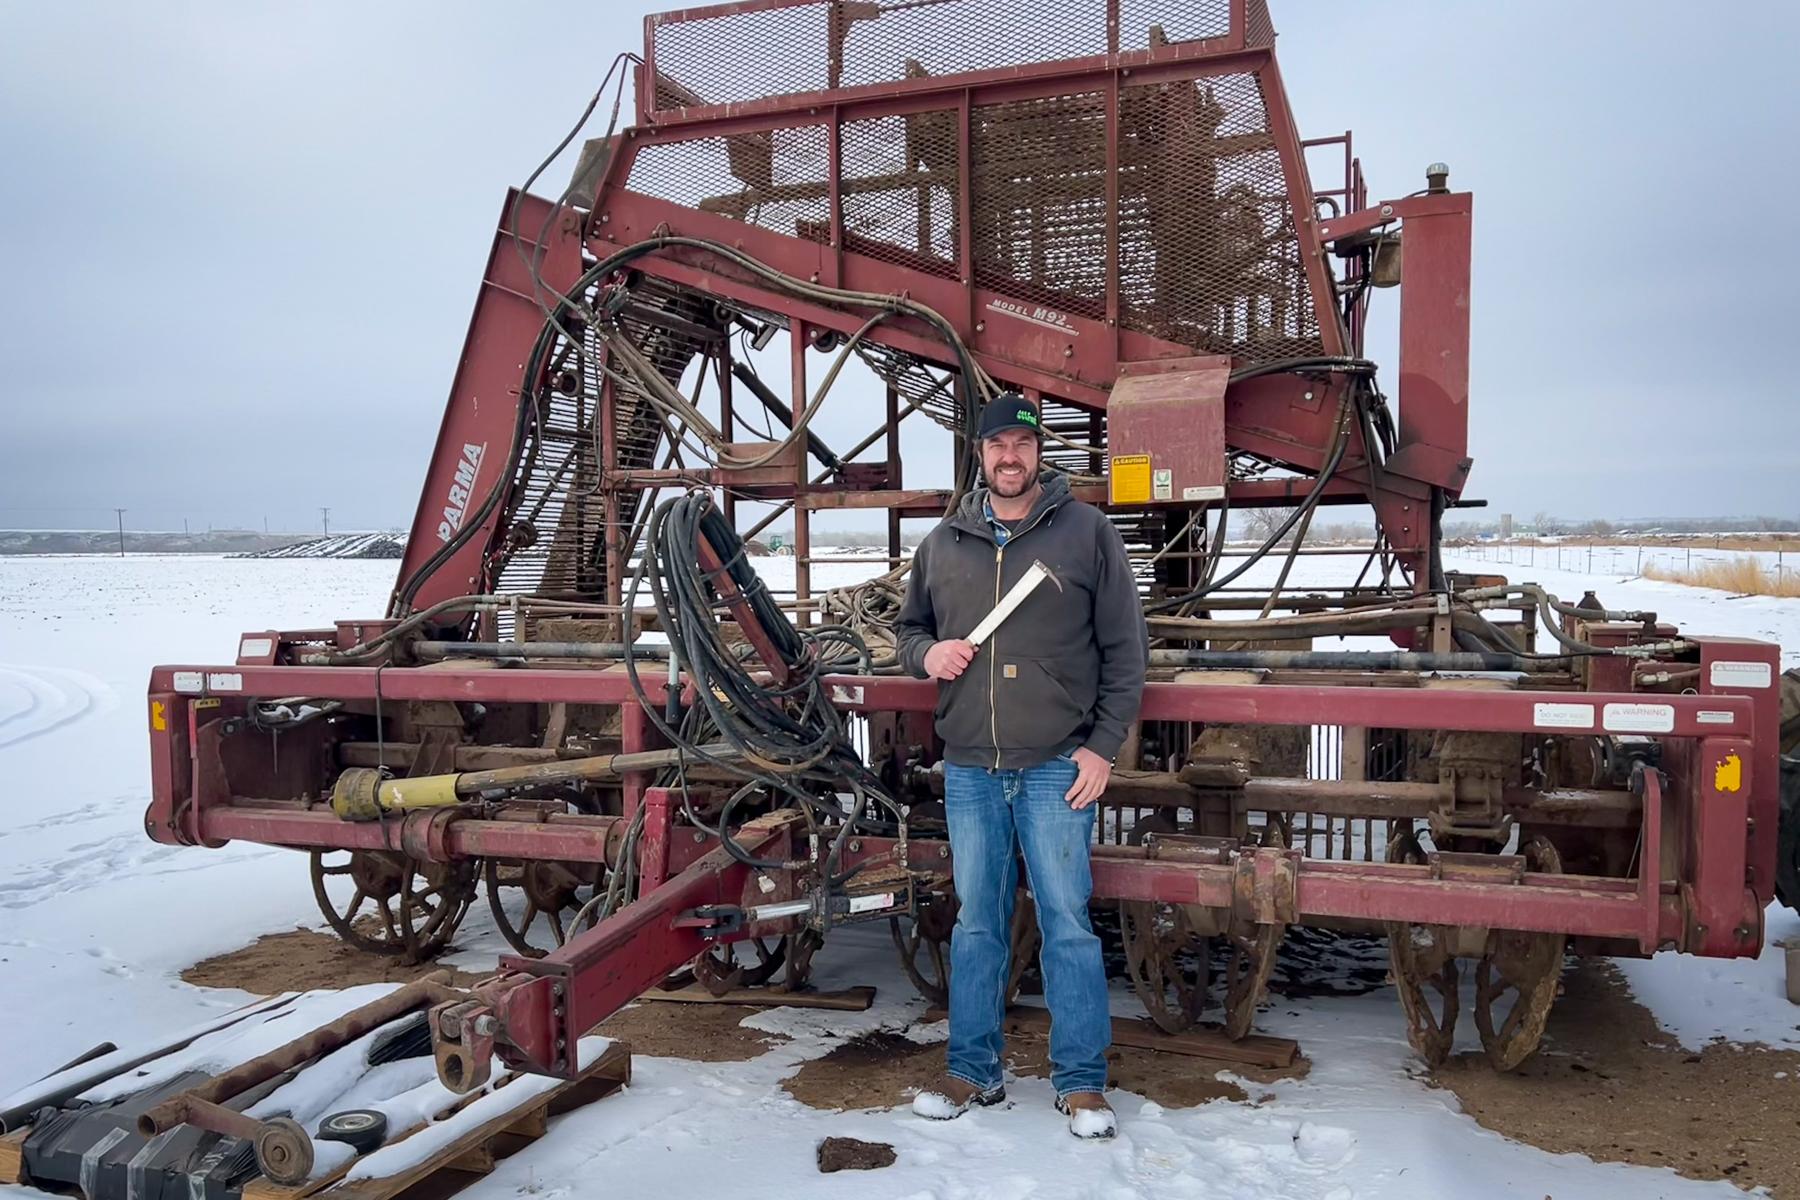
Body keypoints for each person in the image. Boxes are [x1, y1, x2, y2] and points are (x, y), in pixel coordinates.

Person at [895, 392, 1148, 1140]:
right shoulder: (943, 543)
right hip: (971, 766)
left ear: (1039, 454)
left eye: (1022, 446)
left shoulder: (1086, 534)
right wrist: (926, 654)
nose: (1010, 457)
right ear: (980, 456)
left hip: (1053, 767)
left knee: (1067, 923)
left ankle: (1081, 1084)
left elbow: (1126, 652)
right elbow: (909, 631)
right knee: (977, 924)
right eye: (997, 446)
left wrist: (1102, 746)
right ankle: (973, 1071)